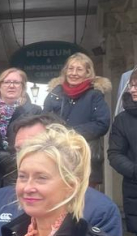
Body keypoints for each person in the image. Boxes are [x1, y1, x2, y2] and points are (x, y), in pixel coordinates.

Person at [43, 52, 112, 185]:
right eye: (70, 68)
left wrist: (70, 133)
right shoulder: (54, 93)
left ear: (88, 72)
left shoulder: (94, 95)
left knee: (85, 202)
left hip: (84, 157)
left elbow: (101, 123)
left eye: (79, 69)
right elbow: (44, 120)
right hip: (56, 155)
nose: (73, 73)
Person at [0, 68, 42, 190]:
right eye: (7, 82)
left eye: (16, 82)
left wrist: (12, 157)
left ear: (22, 87)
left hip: (18, 170)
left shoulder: (34, 111)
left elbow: (38, 140)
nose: (11, 86)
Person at [108, 71, 137, 236]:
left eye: (136, 85)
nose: (132, 89)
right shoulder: (123, 120)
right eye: (132, 85)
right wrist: (134, 170)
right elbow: (115, 154)